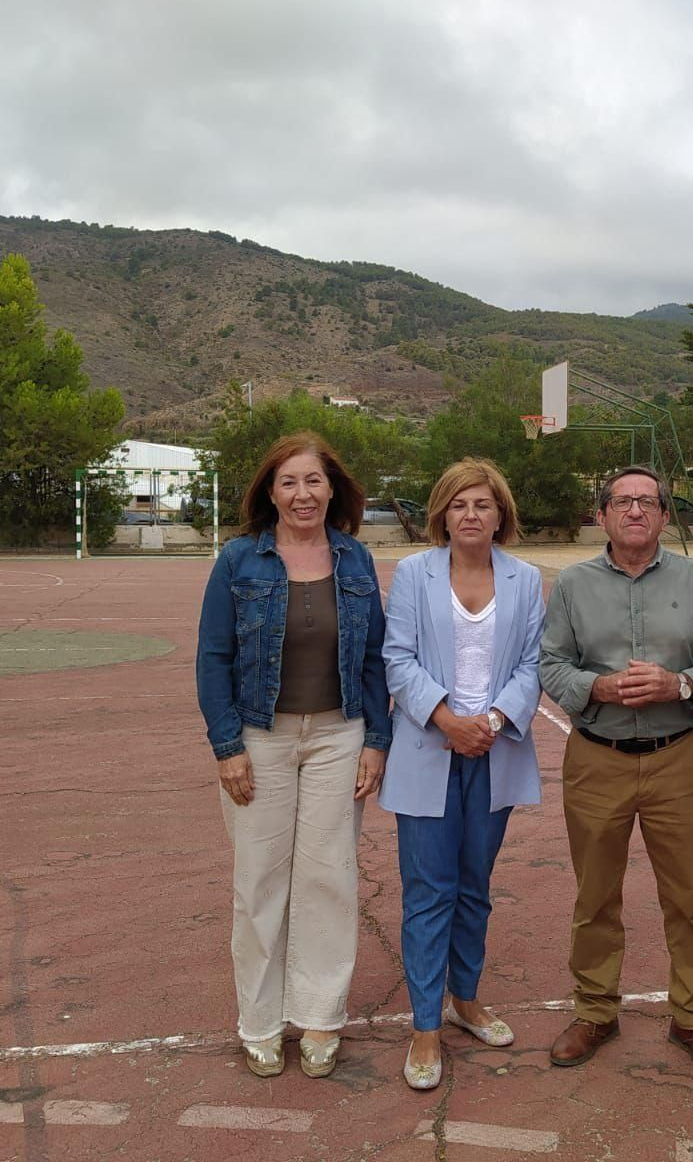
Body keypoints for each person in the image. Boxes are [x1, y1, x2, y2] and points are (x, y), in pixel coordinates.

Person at [194, 431, 391, 1080]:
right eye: (289, 482)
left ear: (333, 489)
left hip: (340, 734)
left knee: (329, 878)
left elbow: (373, 661)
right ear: (270, 492)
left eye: (313, 481)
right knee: (259, 883)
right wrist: (228, 748)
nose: (302, 494)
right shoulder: (238, 561)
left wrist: (375, 742)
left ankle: (321, 1020)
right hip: (260, 738)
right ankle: (259, 1023)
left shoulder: (356, 560)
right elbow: (213, 657)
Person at [539, 465, 693, 1079]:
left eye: (647, 502)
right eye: (622, 502)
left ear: (662, 514)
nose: (635, 511)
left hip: (677, 757)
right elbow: (550, 665)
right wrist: (597, 685)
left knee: (688, 898)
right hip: (596, 756)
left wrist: (680, 683)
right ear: (601, 515)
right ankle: (596, 1011)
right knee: (595, 895)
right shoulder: (572, 584)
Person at [381, 458, 545, 1090]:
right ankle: (426, 1025)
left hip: (494, 751)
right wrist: (447, 719)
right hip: (429, 749)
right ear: (441, 514)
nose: (471, 515)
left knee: (475, 885)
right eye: (458, 505)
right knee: (428, 891)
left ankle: (465, 999)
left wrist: (497, 718)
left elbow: (532, 661)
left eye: (482, 504)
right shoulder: (414, 574)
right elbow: (396, 659)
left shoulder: (526, 580)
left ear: (500, 514)